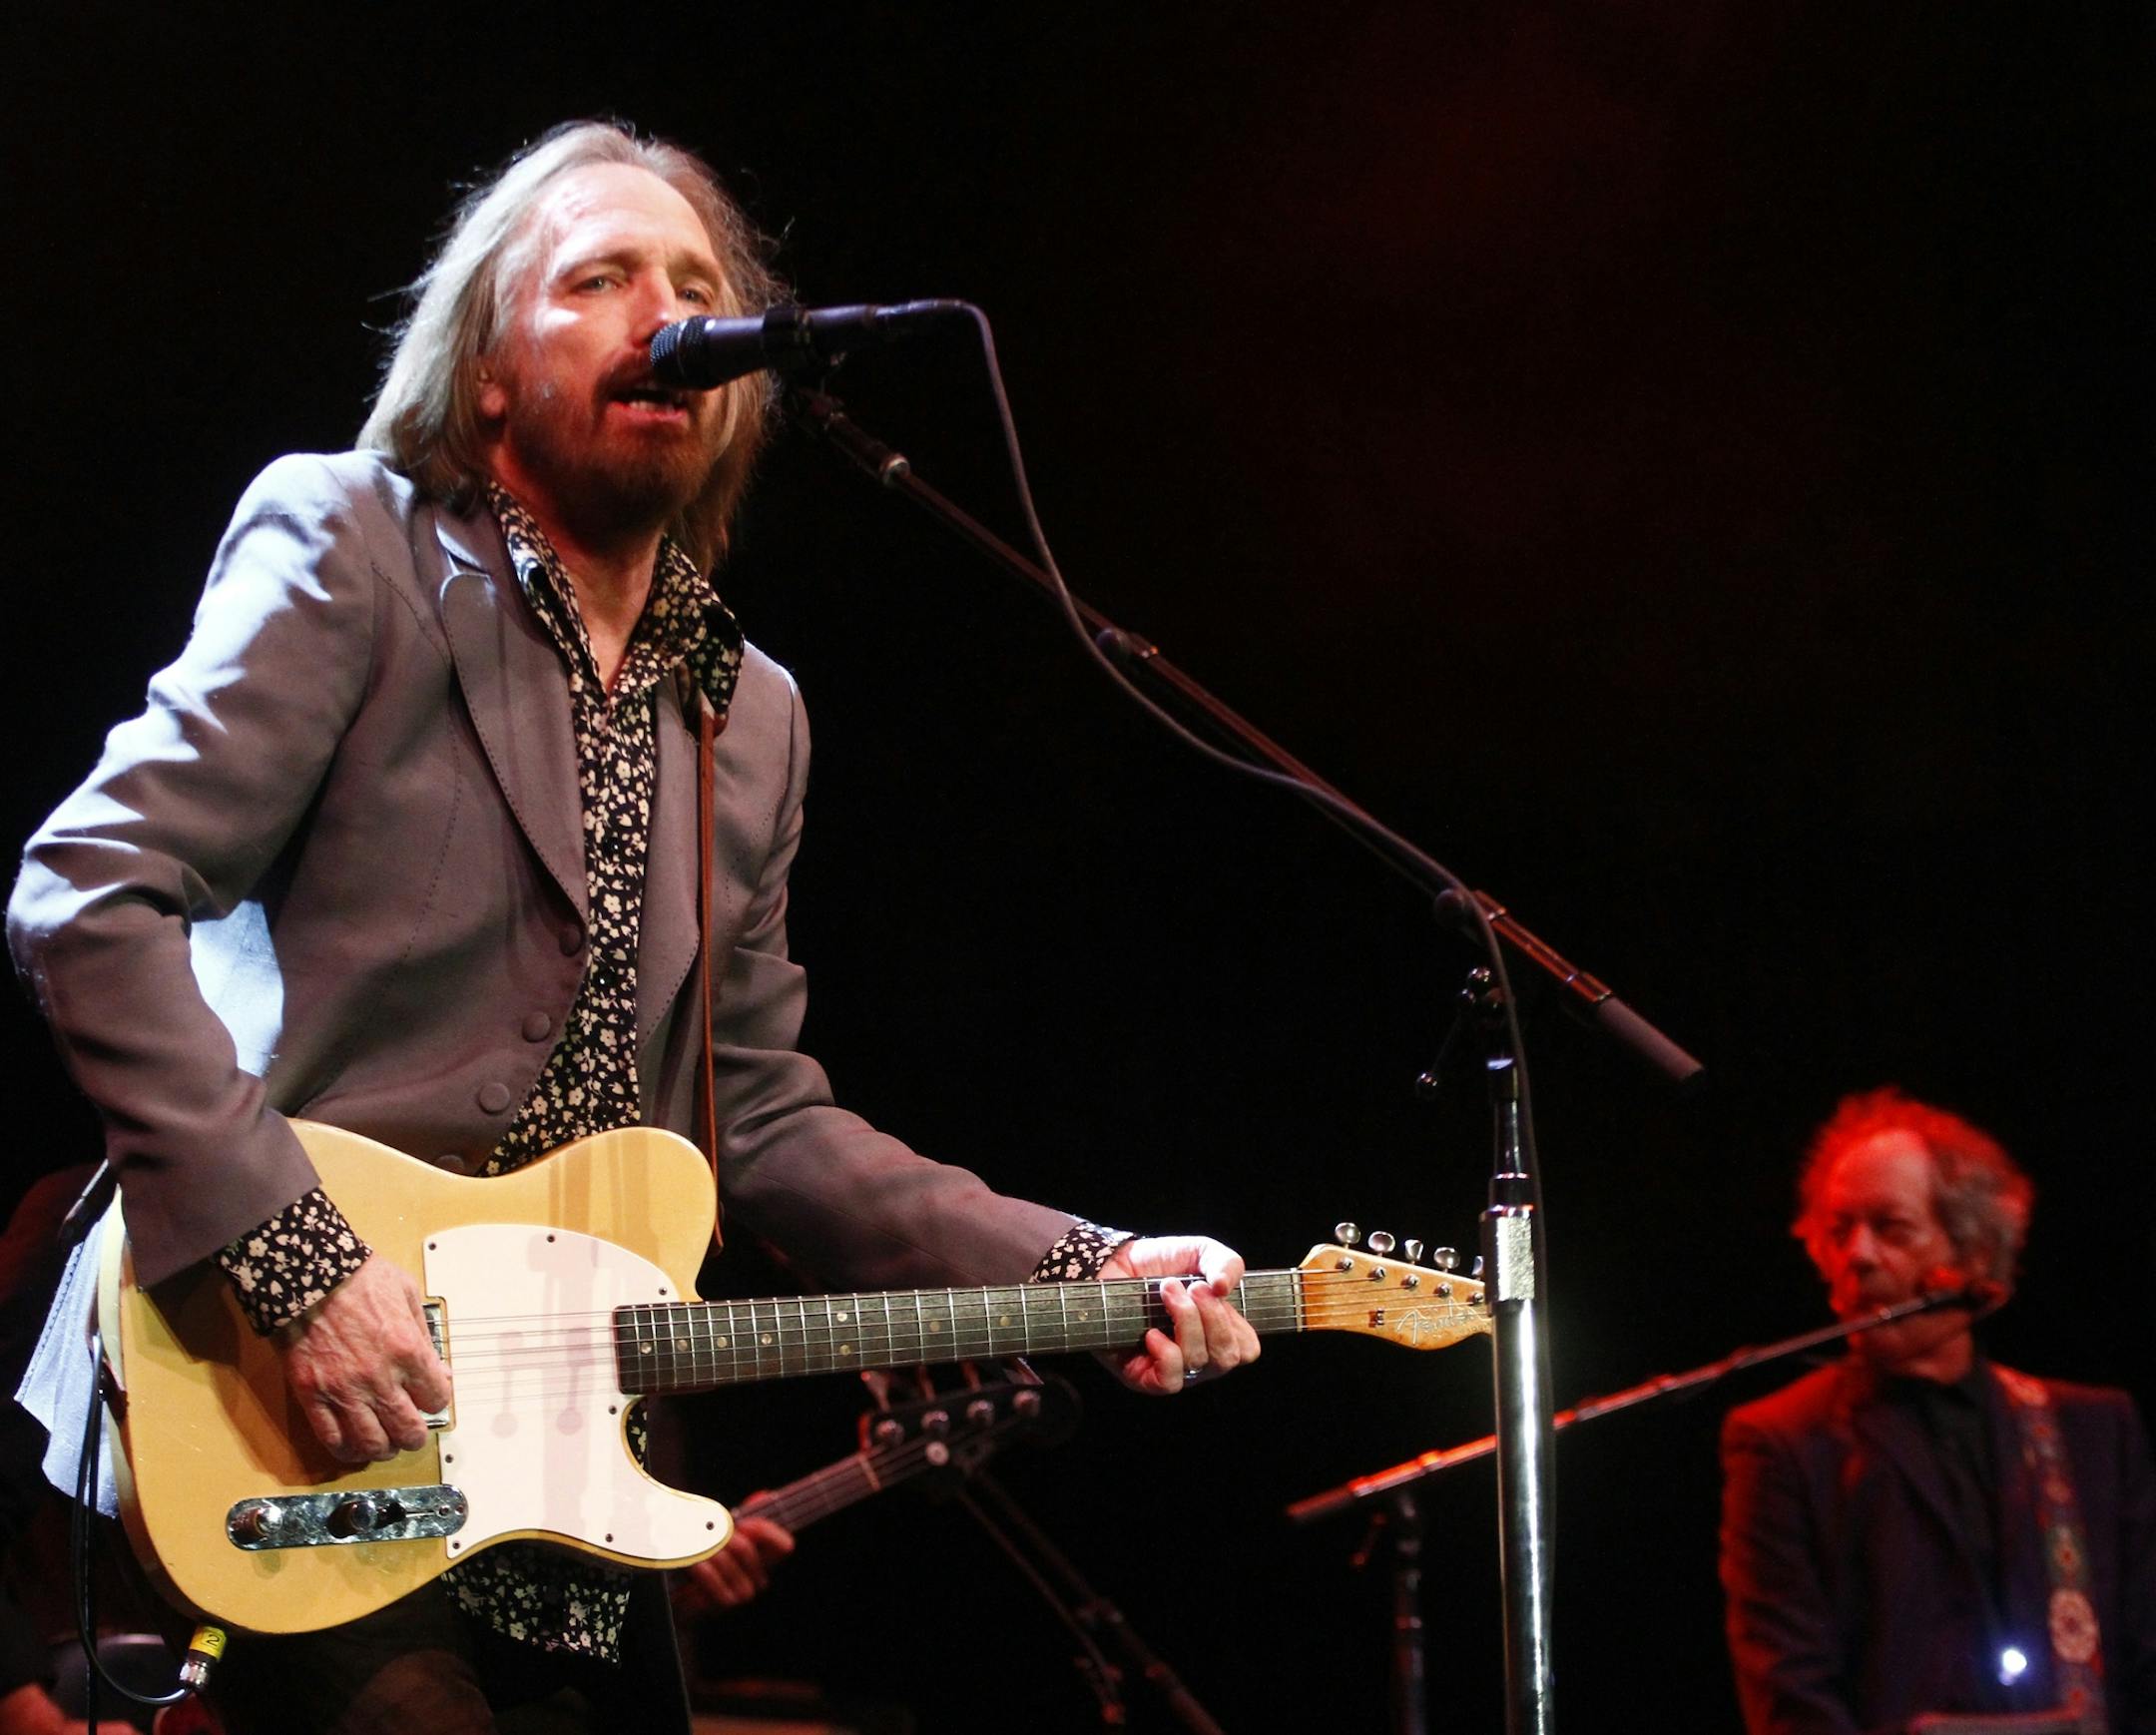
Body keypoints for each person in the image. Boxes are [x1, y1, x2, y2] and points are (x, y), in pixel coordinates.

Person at [5, 119, 1259, 1735]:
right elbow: (90, 890)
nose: (662, 314)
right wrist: (306, 1264)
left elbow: (768, 1113)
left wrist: (1084, 1258)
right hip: (280, 1376)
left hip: (561, 1451)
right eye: (598, 278)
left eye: (693, 286)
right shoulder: (354, 549)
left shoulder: (751, 711)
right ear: (490, 368)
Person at [1718, 1087, 2156, 1734]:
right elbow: (1790, 1693)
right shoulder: (1781, 1442)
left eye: (1890, 1228)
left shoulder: (2093, 1429)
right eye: (1839, 1231)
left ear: (1973, 1253)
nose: (1857, 1256)